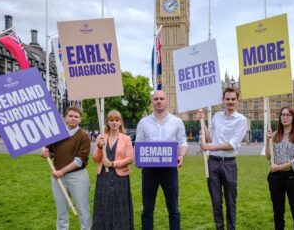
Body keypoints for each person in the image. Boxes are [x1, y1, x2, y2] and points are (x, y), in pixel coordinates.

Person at [136, 90, 188, 230]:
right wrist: (139, 159)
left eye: (161, 99)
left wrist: (181, 156)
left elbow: (183, 142)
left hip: (169, 171)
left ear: (167, 101)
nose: (159, 101)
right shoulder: (143, 122)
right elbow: (138, 143)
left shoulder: (177, 122)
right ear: (152, 102)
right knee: (147, 210)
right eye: (156, 99)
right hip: (149, 171)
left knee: (173, 209)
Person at [198, 87, 247, 230]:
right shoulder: (216, 116)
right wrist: (203, 123)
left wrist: (209, 147)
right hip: (212, 162)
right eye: (228, 99)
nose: (230, 102)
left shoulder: (241, 120)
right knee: (216, 202)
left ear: (237, 101)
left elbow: (232, 144)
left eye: (233, 99)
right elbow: (210, 138)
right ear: (223, 100)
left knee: (230, 201)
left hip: (229, 164)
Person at [41, 106, 91, 230]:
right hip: (58, 177)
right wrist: (47, 154)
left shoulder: (84, 136)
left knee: (83, 209)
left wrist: (62, 171)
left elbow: (80, 160)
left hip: (77, 177)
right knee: (61, 211)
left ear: (80, 119)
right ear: (65, 117)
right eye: (71, 116)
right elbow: (51, 151)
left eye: (76, 117)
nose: (73, 118)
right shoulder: (57, 134)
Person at [265, 106, 294, 230]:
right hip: (276, 178)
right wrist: (268, 141)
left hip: (293, 177)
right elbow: (268, 156)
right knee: (278, 212)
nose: (285, 117)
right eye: (283, 115)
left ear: (293, 117)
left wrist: (278, 167)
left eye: (288, 115)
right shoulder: (275, 135)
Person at [92, 110, 135, 229]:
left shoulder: (126, 138)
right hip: (103, 178)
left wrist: (113, 164)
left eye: (117, 120)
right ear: (107, 122)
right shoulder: (101, 138)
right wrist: (100, 147)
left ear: (121, 122)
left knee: (119, 205)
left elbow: (130, 158)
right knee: (104, 204)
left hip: (120, 178)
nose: (114, 122)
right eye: (111, 120)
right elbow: (95, 159)